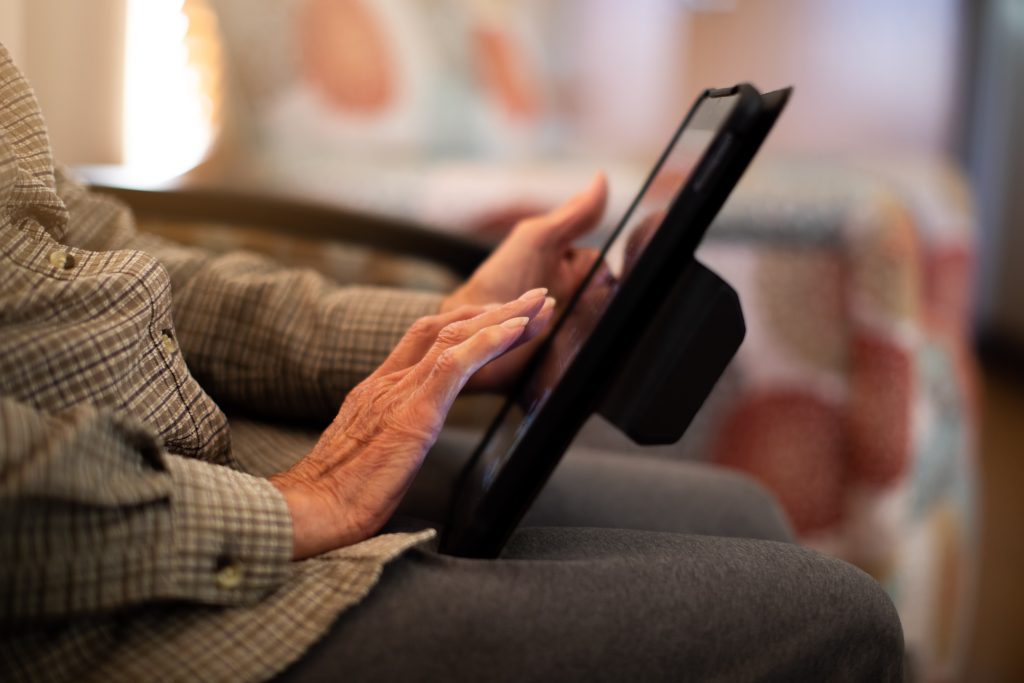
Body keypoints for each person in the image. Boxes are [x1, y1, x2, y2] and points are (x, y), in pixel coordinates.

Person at [0, 43, 903, 682]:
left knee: (744, 509)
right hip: (107, 588)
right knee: (841, 621)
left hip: (215, 451)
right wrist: (295, 502)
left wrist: (454, 327)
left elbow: (117, 260)